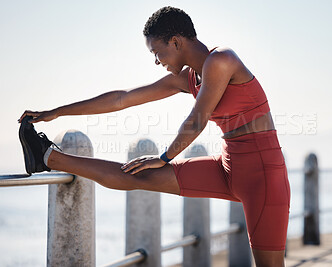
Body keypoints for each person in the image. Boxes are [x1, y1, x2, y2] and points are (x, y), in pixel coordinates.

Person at [18, 6, 290, 267]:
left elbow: (197, 121)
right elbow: (121, 99)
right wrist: (56, 112)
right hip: (228, 165)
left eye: (157, 53)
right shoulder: (188, 78)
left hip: (262, 175)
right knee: (137, 175)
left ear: (175, 42)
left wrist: (164, 157)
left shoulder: (222, 60)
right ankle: (48, 157)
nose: (157, 61)